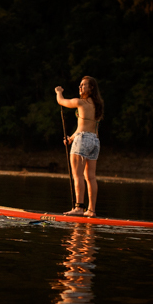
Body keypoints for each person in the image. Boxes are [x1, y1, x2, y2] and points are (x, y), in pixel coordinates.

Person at [54, 76, 103, 216]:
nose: (80, 87)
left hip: (83, 140)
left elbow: (61, 101)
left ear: (91, 88)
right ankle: (91, 210)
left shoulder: (80, 102)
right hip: (94, 141)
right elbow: (84, 127)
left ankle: (79, 208)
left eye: (84, 85)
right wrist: (71, 138)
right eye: (80, 85)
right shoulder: (97, 105)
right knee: (91, 177)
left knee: (78, 175)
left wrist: (58, 92)